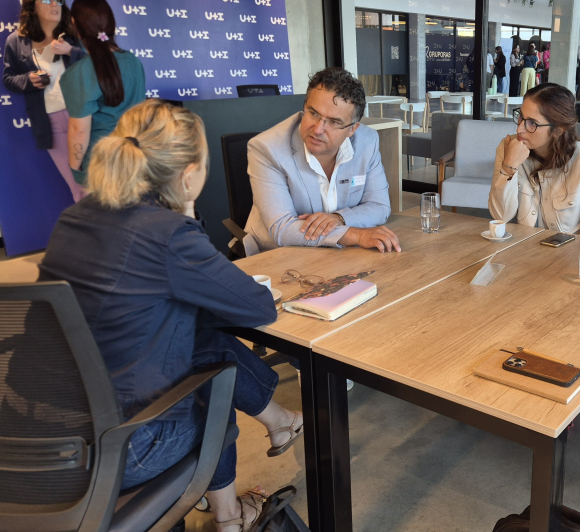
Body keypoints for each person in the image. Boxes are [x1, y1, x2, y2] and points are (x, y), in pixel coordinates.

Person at [38, 99, 304, 532]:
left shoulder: (73, 217)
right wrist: (185, 214)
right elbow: (256, 308)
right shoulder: (167, 233)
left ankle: (237, 502)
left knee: (198, 340)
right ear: (187, 174)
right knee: (211, 397)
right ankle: (231, 517)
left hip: (32, 438)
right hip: (114, 449)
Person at [245, 67, 400, 253]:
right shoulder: (267, 148)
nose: (318, 129)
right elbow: (282, 228)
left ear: (352, 129)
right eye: (313, 113)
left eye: (334, 122)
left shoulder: (368, 142)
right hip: (276, 255)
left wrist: (339, 218)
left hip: (338, 254)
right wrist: (356, 235)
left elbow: (380, 206)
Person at [489, 83, 580, 239]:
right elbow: (501, 216)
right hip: (523, 252)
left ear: (558, 130)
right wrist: (509, 167)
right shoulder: (508, 149)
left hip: (571, 255)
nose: (519, 129)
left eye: (532, 123)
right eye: (521, 117)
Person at [3, 0, 86, 202]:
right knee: (79, 188)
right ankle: (96, 231)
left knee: (101, 181)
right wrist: (28, 80)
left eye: (59, 0)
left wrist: (70, 52)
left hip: (84, 117)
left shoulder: (74, 35)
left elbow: (97, 65)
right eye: (47, 0)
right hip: (50, 122)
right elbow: (9, 78)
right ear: (32, 6)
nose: (55, 5)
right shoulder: (15, 40)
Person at [60, 0, 145, 187]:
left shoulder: (79, 73)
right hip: (137, 156)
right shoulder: (133, 61)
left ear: (74, 24)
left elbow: (79, 130)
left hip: (101, 163)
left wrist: (76, 170)